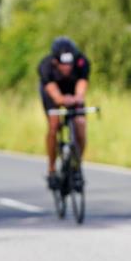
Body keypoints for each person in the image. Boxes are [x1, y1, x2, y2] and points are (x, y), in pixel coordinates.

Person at [39, 37, 90, 189]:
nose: (67, 67)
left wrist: (78, 97)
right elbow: (54, 93)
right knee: (54, 125)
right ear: (55, 61)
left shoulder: (82, 61)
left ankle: (76, 165)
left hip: (72, 91)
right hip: (52, 93)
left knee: (80, 124)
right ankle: (52, 169)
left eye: (70, 63)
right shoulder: (46, 65)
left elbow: (82, 85)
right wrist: (62, 99)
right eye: (63, 64)